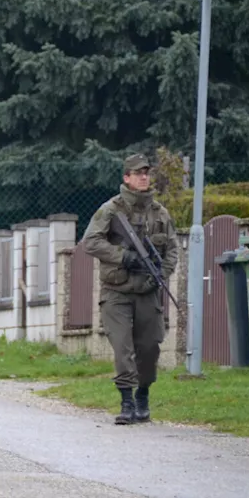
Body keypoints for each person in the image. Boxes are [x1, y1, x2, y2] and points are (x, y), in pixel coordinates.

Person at [82, 153, 179, 425]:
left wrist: (162, 273)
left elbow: (172, 249)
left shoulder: (160, 213)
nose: (144, 177)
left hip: (148, 291)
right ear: (126, 177)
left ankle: (143, 395)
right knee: (122, 346)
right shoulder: (111, 210)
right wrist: (123, 257)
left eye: (146, 172)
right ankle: (126, 401)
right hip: (117, 291)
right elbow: (90, 242)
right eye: (138, 173)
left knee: (149, 347)